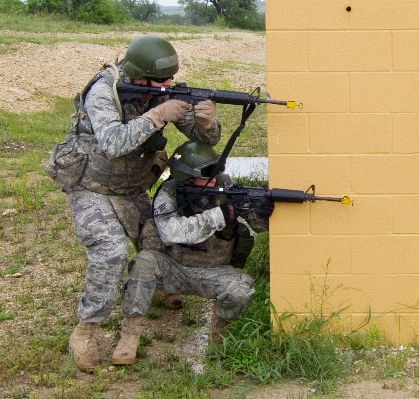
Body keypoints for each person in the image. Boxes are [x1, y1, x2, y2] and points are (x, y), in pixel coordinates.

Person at [45, 35, 221, 372]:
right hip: (91, 186)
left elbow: (204, 138)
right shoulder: (104, 90)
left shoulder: (163, 91)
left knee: (157, 238)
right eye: (160, 80)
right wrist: (157, 115)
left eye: (171, 78)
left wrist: (205, 121)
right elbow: (112, 142)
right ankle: (86, 330)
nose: (167, 84)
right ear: (138, 75)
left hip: (131, 188)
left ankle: (143, 307)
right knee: (110, 253)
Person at [117, 141, 274, 364]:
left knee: (240, 291)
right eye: (208, 171)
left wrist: (261, 212)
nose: (215, 175)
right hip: (174, 269)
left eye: (216, 168)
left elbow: (260, 226)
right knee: (143, 262)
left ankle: (219, 336)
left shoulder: (225, 189)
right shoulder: (169, 192)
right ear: (187, 177)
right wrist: (220, 216)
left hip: (215, 272)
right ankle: (129, 337)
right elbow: (171, 232)